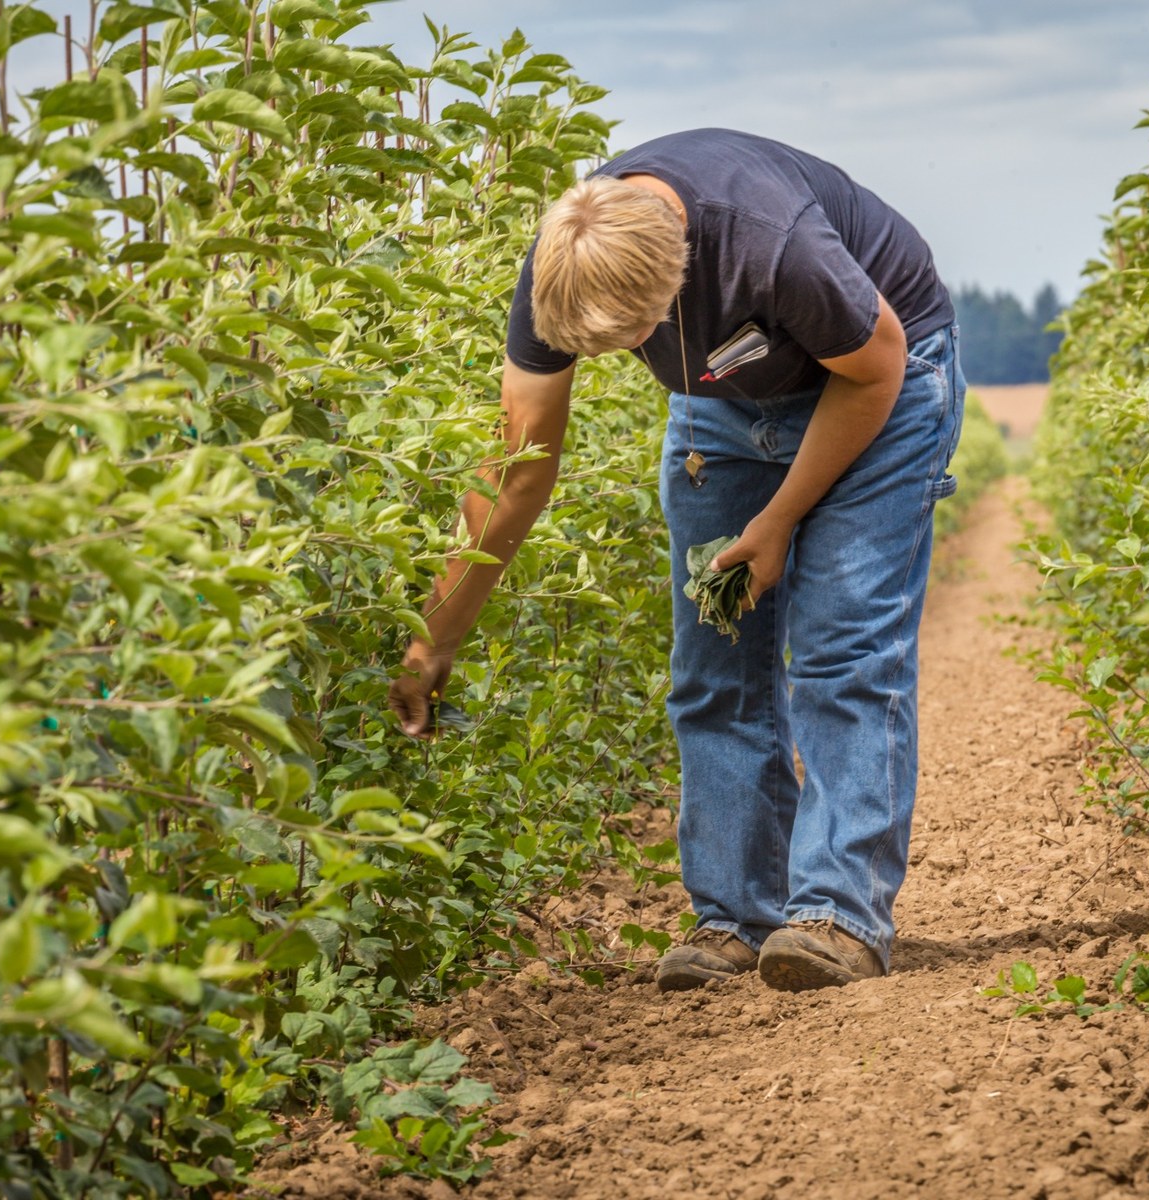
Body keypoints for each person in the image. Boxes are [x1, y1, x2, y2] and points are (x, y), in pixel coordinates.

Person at [388, 128, 964, 993]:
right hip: (720, 407)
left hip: (880, 381)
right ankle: (737, 917)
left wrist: (776, 521)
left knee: (843, 649)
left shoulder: (770, 243)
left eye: (633, 340)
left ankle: (842, 915)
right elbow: (516, 470)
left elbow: (875, 370)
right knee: (712, 662)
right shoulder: (563, 264)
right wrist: (433, 640)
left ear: (680, 280)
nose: (623, 360)